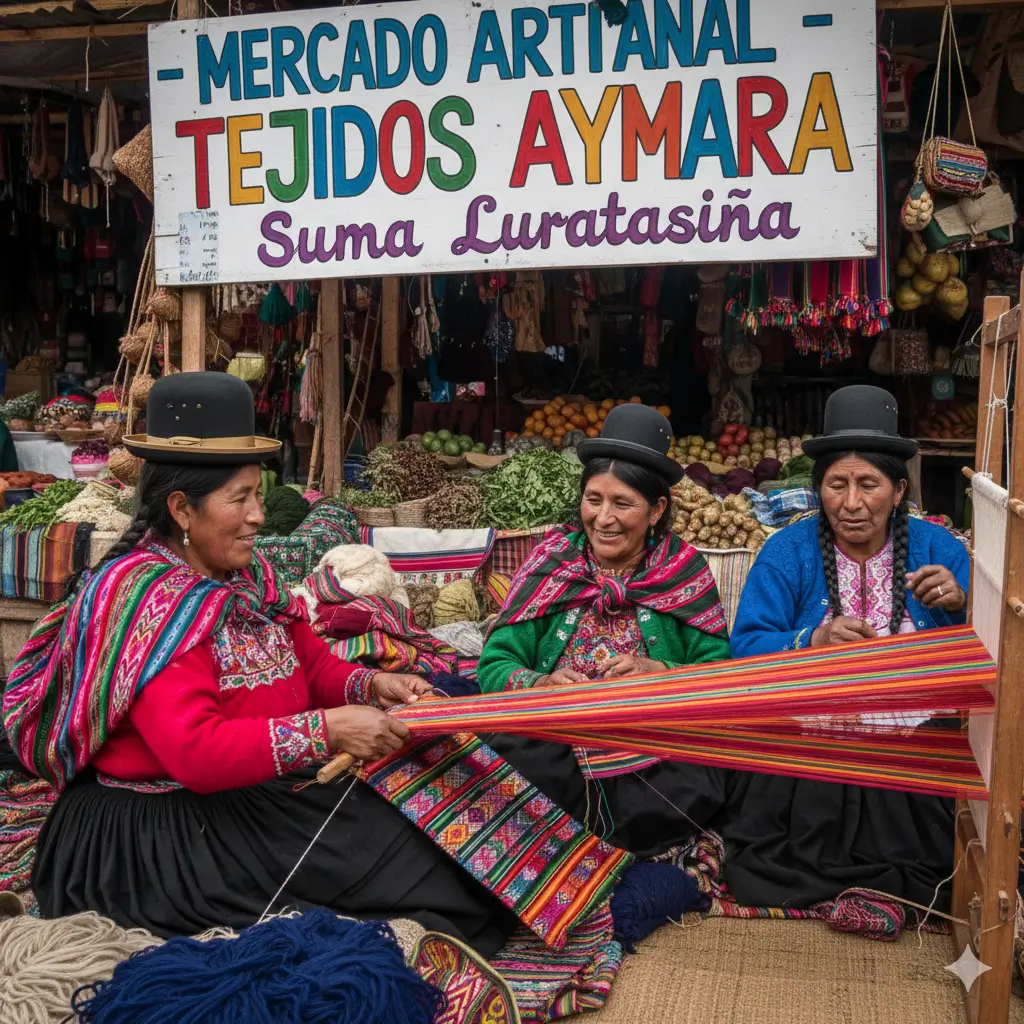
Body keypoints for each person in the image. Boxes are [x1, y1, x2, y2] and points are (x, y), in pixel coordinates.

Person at [1, 373, 521, 952]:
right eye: (239, 498)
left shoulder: (246, 576)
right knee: (409, 886)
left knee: (442, 817)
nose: (256, 516)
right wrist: (326, 730)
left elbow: (312, 668)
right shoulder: (147, 600)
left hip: (247, 794)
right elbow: (195, 753)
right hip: (161, 838)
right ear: (182, 509)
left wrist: (371, 682)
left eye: (257, 493)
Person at [724, 385, 969, 909]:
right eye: (837, 484)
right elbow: (744, 651)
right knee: (782, 828)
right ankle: (858, 891)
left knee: (919, 804)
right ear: (819, 490)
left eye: (868, 485)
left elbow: (991, 649)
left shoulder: (938, 548)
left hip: (909, 751)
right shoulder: (787, 552)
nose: (851, 503)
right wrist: (811, 640)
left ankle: (877, 889)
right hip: (812, 743)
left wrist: (962, 603)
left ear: (899, 491)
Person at [479, 404, 732, 858]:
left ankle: (582, 853)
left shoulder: (682, 570)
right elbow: (495, 665)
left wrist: (659, 671)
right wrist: (541, 683)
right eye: (594, 499)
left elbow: (717, 672)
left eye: (622, 503)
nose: (603, 518)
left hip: (651, 739)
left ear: (656, 510)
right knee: (514, 767)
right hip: (556, 735)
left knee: (696, 784)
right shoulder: (552, 563)